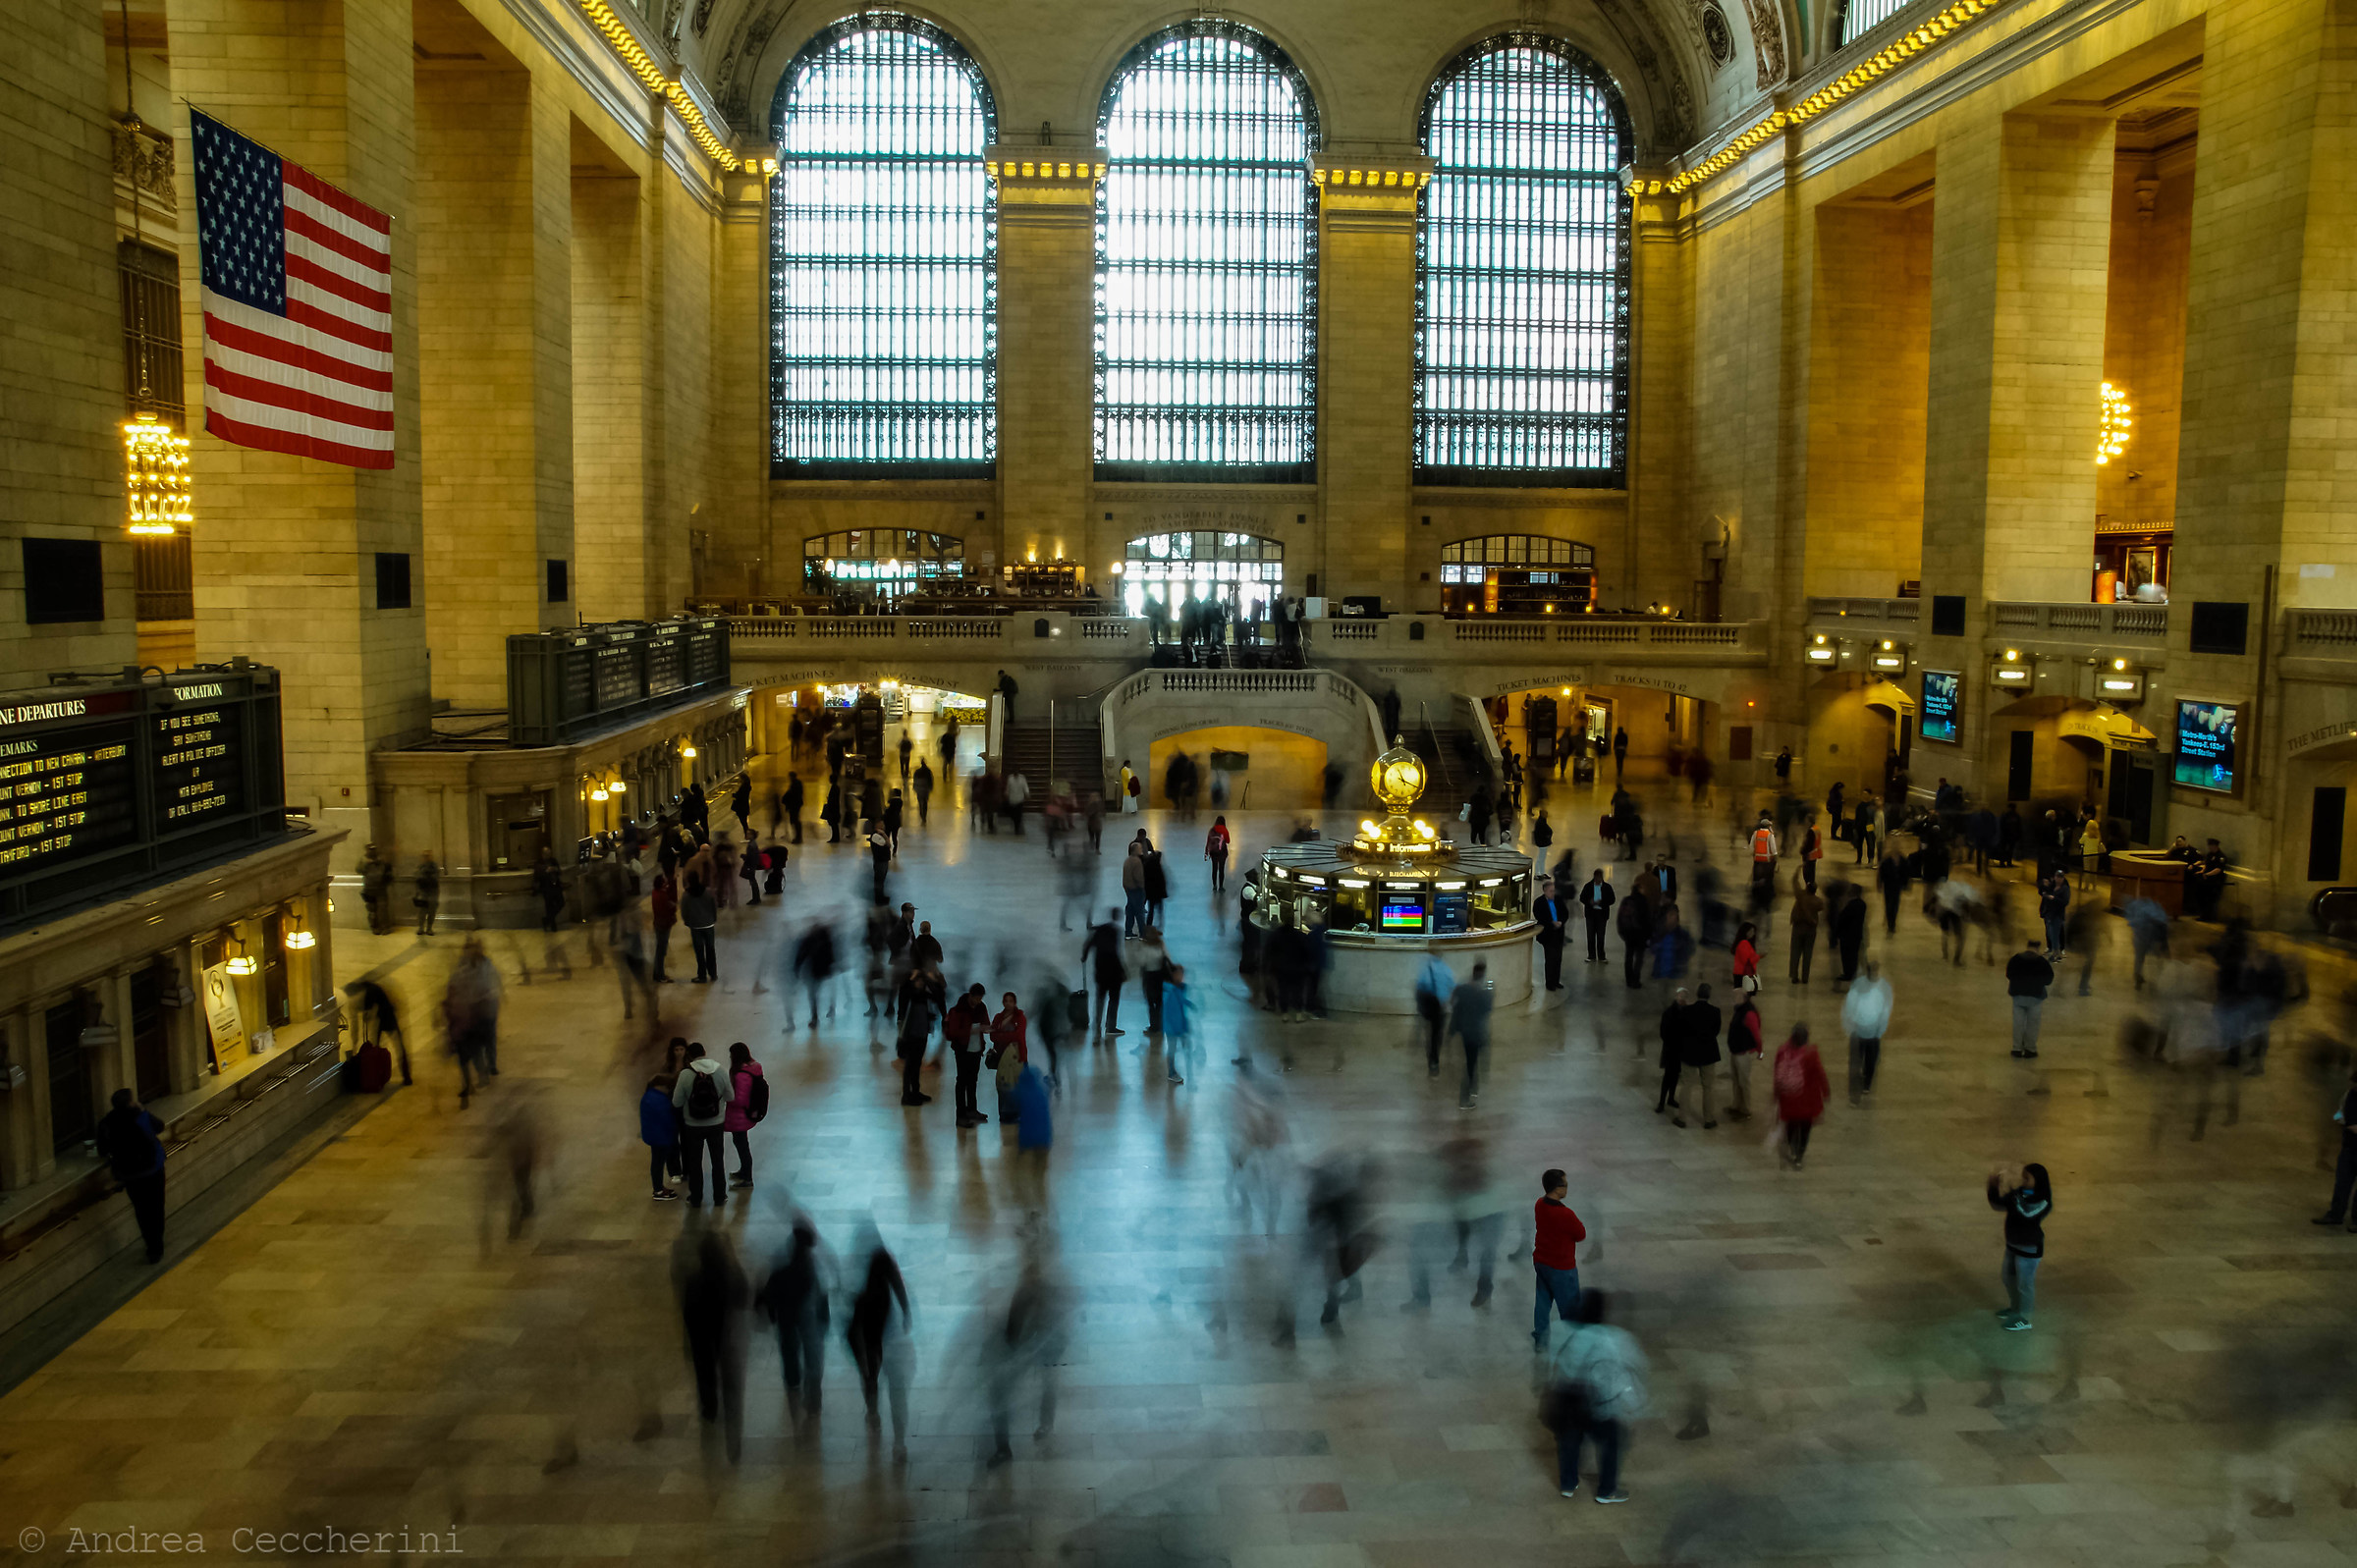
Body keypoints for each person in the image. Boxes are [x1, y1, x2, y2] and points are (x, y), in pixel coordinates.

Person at [1548, 1289, 1646, 1505]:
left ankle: (1568, 1484)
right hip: (1594, 1404)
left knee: (1570, 1440)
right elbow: (1621, 1373)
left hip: (1567, 1399)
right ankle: (1606, 1490)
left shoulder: (1561, 1331)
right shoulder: (1612, 1338)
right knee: (1612, 1441)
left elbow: (1550, 1364)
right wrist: (1634, 1406)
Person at [673, 1228, 749, 1462]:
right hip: (725, 1338)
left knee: (704, 1375)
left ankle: (709, 1410)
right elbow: (744, 1294)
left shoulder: (694, 1281)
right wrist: (733, 1258)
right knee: (730, 1382)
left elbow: (687, 1312)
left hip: (701, 1339)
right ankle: (732, 1428)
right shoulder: (729, 1277)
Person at [845, 1222, 913, 1460]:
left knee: (870, 1377)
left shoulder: (860, 1288)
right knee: (896, 1391)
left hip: (871, 1339)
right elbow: (898, 1284)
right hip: (887, 1337)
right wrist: (905, 1312)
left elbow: (852, 1330)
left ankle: (873, 1413)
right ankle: (899, 1443)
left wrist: (861, 1359)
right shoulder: (882, 1262)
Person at [756, 1217, 834, 1421]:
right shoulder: (808, 1263)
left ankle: (794, 1386)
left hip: (787, 1317)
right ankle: (812, 1398)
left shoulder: (783, 1259)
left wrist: (770, 1312)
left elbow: (768, 1290)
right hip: (804, 1316)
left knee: (790, 1350)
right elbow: (822, 1291)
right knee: (812, 1357)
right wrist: (824, 1318)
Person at [95, 1088, 168, 1263]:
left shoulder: (107, 1123)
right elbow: (160, 1126)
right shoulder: (140, 1116)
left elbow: (102, 1149)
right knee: (156, 1207)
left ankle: (151, 1245)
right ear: (130, 1102)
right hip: (152, 1169)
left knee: (141, 1210)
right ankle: (157, 1245)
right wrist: (142, 1110)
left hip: (130, 1175)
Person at [1987, 1162, 2052, 1330]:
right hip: (2013, 1245)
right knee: (2008, 1278)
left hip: (2029, 1249)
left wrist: (2015, 1198)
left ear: (2038, 1180)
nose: (2023, 1180)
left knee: (2024, 1284)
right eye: (2023, 1176)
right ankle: (2015, 1308)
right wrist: (1994, 1185)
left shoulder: (2043, 1200)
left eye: (2027, 1178)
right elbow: (1998, 1204)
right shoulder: (2019, 1194)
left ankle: (2024, 1318)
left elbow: (2027, 1214)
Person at [672, 1044, 735, 1206]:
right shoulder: (720, 1070)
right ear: (705, 1053)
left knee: (694, 1162)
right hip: (716, 1123)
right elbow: (730, 1097)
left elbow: (676, 1102)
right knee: (717, 1161)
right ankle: (720, 1196)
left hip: (693, 1126)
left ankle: (696, 1197)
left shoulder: (685, 1074)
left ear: (689, 1057)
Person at [1530, 1168, 1587, 1350]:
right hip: (1561, 1267)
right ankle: (1572, 1341)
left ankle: (1540, 1337)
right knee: (1569, 1306)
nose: (1567, 1188)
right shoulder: (1566, 1214)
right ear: (1557, 1188)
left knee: (1543, 1300)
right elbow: (1581, 1234)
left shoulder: (1539, 1204)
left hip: (1541, 1261)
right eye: (1565, 1185)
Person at [1773, 1023, 1830, 1168]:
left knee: (1791, 1126)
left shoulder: (1782, 1052)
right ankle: (1799, 1156)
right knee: (1805, 1130)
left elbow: (1777, 1075)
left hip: (1789, 1100)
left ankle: (1792, 1149)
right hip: (1807, 1101)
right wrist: (1826, 1091)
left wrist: (1776, 1094)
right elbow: (1820, 1074)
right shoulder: (1811, 1054)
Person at [343, 977, 411, 1086]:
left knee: (385, 1048)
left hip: (386, 1018)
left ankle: (378, 1077)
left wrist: (356, 1044)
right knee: (397, 1046)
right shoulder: (367, 991)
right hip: (387, 1016)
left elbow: (369, 1019)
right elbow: (359, 1021)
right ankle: (404, 1077)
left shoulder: (368, 994)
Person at [1842, 959, 1893, 1104]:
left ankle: (1866, 1083)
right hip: (1861, 1031)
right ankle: (1861, 1085)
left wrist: (1880, 1029)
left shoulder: (1882, 986)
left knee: (1870, 1061)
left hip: (1872, 1033)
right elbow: (1851, 1006)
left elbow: (1886, 1009)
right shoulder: (1861, 985)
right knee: (1860, 1060)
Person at [2313, 1068, 2357, 1230]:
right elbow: (2338, 1114)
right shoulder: (2348, 1096)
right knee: (2342, 1184)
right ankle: (2336, 1214)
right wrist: (2342, 1121)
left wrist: (2347, 1124)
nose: (2353, 1086)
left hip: (2350, 1146)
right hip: (2349, 1148)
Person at [895, 964, 943, 1107]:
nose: (920, 983)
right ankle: (906, 1095)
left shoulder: (924, 996)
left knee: (916, 1065)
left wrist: (930, 980)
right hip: (911, 1036)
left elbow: (937, 994)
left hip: (921, 1035)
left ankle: (915, 1091)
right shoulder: (910, 995)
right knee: (910, 1066)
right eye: (918, 981)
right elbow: (905, 989)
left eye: (922, 981)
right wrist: (914, 976)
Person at [1450, 961, 1495, 1108]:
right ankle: (1465, 1098)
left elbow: (1455, 1005)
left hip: (1464, 1031)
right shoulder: (1483, 994)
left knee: (1471, 1062)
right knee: (1471, 1064)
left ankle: (1474, 1088)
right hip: (1476, 1033)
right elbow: (1487, 1010)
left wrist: (1453, 1029)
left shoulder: (1462, 989)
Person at [946, 983, 991, 1127]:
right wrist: (971, 1030)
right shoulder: (959, 1010)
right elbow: (953, 1032)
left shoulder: (981, 1007)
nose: (978, 1001)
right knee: (962, 1082)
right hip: (962, 1050)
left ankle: (972, 1110)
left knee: (972, 1081)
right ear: (970, 995)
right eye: (977, 998)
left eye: (980, 998)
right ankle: (961, 1115)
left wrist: (986, 1028)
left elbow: (986, 1024)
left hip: (976, 1049)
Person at [722, 1043, 764, 1189]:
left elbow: (739, 1099)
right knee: (741, 1143)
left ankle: (747, 1178)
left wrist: (726, 1096)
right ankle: (744, 1171)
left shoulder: (741, 1074)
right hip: (745, 1113)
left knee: (742, 1146)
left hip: (740, 1115)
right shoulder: (753, 1068)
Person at [1082, 907, 1128, 1038]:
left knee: (1100, 998)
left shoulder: (1100, 929)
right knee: (1113, 1000)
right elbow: (1115, 953)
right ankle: (1111, 1026)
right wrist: (1123, 971)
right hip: (1114, 973)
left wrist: (1084, 957)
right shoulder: (1116, 931)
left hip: (1100, 971)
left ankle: (1097, 1025)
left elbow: (1089, 944)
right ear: (1119, 917)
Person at [2003, 940, 2055, 1059]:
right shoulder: (2042, 962)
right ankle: (2030, 1049)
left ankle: (2016, 1048)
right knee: (2033, 1024)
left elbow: (2009, 974)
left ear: (2027, 947)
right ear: (2037, 948)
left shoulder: (2015, 959)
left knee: (2018, 1024)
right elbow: (2049, 979)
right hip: (2035, 997)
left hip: (2018, 996)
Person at [638, 1073, 680, 1200]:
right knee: (658, 1163)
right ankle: (658, 1191)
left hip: (653, 1135)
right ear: (661, 1086)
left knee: (657, 1162)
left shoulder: (649, 1096)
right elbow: (668, 1119)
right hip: (661, 1137)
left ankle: (658, 1188)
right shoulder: (660, 1101)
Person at [1415, 952, 1454, 1078]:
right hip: (1441, 1007)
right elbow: (1453, 987)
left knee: (1430, 1034)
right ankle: (1435, 1059)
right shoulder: (1446, 969)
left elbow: (1420, 986)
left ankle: (1431, 1059)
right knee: (1438, 1034)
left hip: (1429, 1007)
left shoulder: (1426, 970)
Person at [1725, 991, 1763, 1120]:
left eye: (1736, 996)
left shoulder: (1749, 1013)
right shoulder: (1740, 1009)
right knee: (1736, 1080)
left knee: (1744, 1082)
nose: (1734, 998)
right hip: (1736, 1051)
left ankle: (1746, 1109)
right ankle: (1736, 1105)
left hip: (1743, 1053)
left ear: (1744, 998)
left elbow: (1757, 1035)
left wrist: (1760, 1051)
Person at [1655, 989, 1689, 1116]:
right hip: (1672, 1049)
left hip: (1675, 1049)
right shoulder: (1669, 1012)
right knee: (1669, 1076)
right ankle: (1662, 1101)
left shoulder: (1683, 1012)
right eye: (1681, 996)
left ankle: (1670, 1099)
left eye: (1684, 997)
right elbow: (1663, 1032)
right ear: (1677, 997)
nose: (1682, 998)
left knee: (1674, 1076)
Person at [682, 872, 719, 984]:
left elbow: (684, 911)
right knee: (710, 950)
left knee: (699, 952)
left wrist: (687, 922)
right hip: (708, 924)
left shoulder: (686, 895)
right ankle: (713, 974)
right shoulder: (707, 892)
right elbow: (714, 906)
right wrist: (713, 918)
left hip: (695, 926)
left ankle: (702, 975)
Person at [1533, 879, 1569, 990]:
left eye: (1553, 891)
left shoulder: (1558, 899)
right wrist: (1551, 923)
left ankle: (1556, 981)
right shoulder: (1539, 902)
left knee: (1558, 958)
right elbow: (1539, 917)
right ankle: (1549, 983)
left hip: (1558, 933)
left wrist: (1561, 922)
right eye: (1550, 891)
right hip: (1548, 935)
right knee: (1550, 959)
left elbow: (1565, 913)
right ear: (1544, 891)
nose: (1552, 893)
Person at [1162, 962, 1195, 1084]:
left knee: (1181, 1046)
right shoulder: (1169, 991)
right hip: (1172, 1027)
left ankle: (1178, 1069)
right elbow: (1166, 1011)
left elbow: (1181, 1002)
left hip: (1180, 1024)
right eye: (1179, 974)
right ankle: (1171, 1072)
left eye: (1182, 975)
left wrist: (1189, 1004)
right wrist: (1170, 1027)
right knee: (1172, 1049)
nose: (1181, 977)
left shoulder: (1179, 988)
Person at [1617, 882, 1653, 991]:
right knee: (1639, 958)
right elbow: (1647, 919)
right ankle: (1635, 980)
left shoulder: (1626, 900)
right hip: (1640, 935)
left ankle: (1628, 979)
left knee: (1629, 956)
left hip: (1628, 934)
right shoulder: (1643, 901)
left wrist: (1622, 932)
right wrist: (1649, 935)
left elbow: (1620, 917)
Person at [1785, 877, 1821, 984]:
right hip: (1810, 928)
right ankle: (1805, 977)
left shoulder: (1800, 897)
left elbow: (1794, 883)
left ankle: (1794, 976)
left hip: (1798, 927)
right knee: (1808, 953)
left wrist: (1797, 871)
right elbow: (1822, 908)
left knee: (1795, 952)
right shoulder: (1817, 901)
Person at [1832, 885, 1868, 984]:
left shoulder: (1851, 905)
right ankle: (1852, 972)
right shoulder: (1862, 904)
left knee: (1846, 955)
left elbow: (1843, 918)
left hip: (1847, 935)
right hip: (1857, 934)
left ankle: (1848, 973)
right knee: (1854, 955)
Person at [1578, 869, 1615, 963]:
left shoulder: (1607, 887)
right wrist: (1590, 902)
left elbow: (1612, 899)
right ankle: (1591, 955)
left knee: (1601, 936)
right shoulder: (1588, 886)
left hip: (1602, 915)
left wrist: (1601, 902)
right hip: (1591, 914)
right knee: (1590, 936)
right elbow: (1582, 898)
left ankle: (1601, 956)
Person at [358, 843, 394, 934]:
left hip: (380, 888)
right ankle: (375, 927)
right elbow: (359, 870)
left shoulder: (382, 860)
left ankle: (385, 927)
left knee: (383, 909)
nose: (372, 851)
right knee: (372, 910)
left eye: (373, 850)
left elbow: (389, 872)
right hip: (369, 889)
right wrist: (366, 864)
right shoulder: (363, 861)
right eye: (370, 850)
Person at [2037, 870, 2070, 958]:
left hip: (2058, 914)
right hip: (2048, 912)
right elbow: (2041, 891)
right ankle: (2051, 948)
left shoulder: (2065, 888)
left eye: (2060, 877)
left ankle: (2059, 950)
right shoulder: (2051, 885)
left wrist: (2054, 899)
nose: (2058, 879)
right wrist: (2043, 887)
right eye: (2057, 877)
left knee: (2057, 932)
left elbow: (2065, 901)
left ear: (2063, 878)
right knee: (2049, 932)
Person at [412, 852, 441, 936]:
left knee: (431, 911)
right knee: (422, 912)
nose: (426, 858)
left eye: (427, 856)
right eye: (425, 856)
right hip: (423, 891)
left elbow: (435, 879)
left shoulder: (434, 867)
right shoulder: (420, 867)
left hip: (432, 891)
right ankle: (421, 927)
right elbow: (417, 879)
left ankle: (429, 928)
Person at [1204, 815, 1231, 893]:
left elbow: (1208, 841)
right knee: (1221, 869)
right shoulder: (1224, 830)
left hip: (1213, 852)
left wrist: (1206, 852)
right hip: (1222, 852)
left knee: (1214, 868)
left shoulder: (1212, 830)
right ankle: (1221, 886)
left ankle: (1214, 885)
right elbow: (1228, 841)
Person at [782, 771, 804, 843]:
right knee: (795, 820)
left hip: (794, 805)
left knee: (795, 820)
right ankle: (797, 836)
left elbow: (791, 794)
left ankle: (798, 837)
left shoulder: (795, 784)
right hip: (796, 804)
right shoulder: (797, 783)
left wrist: (785, 799)